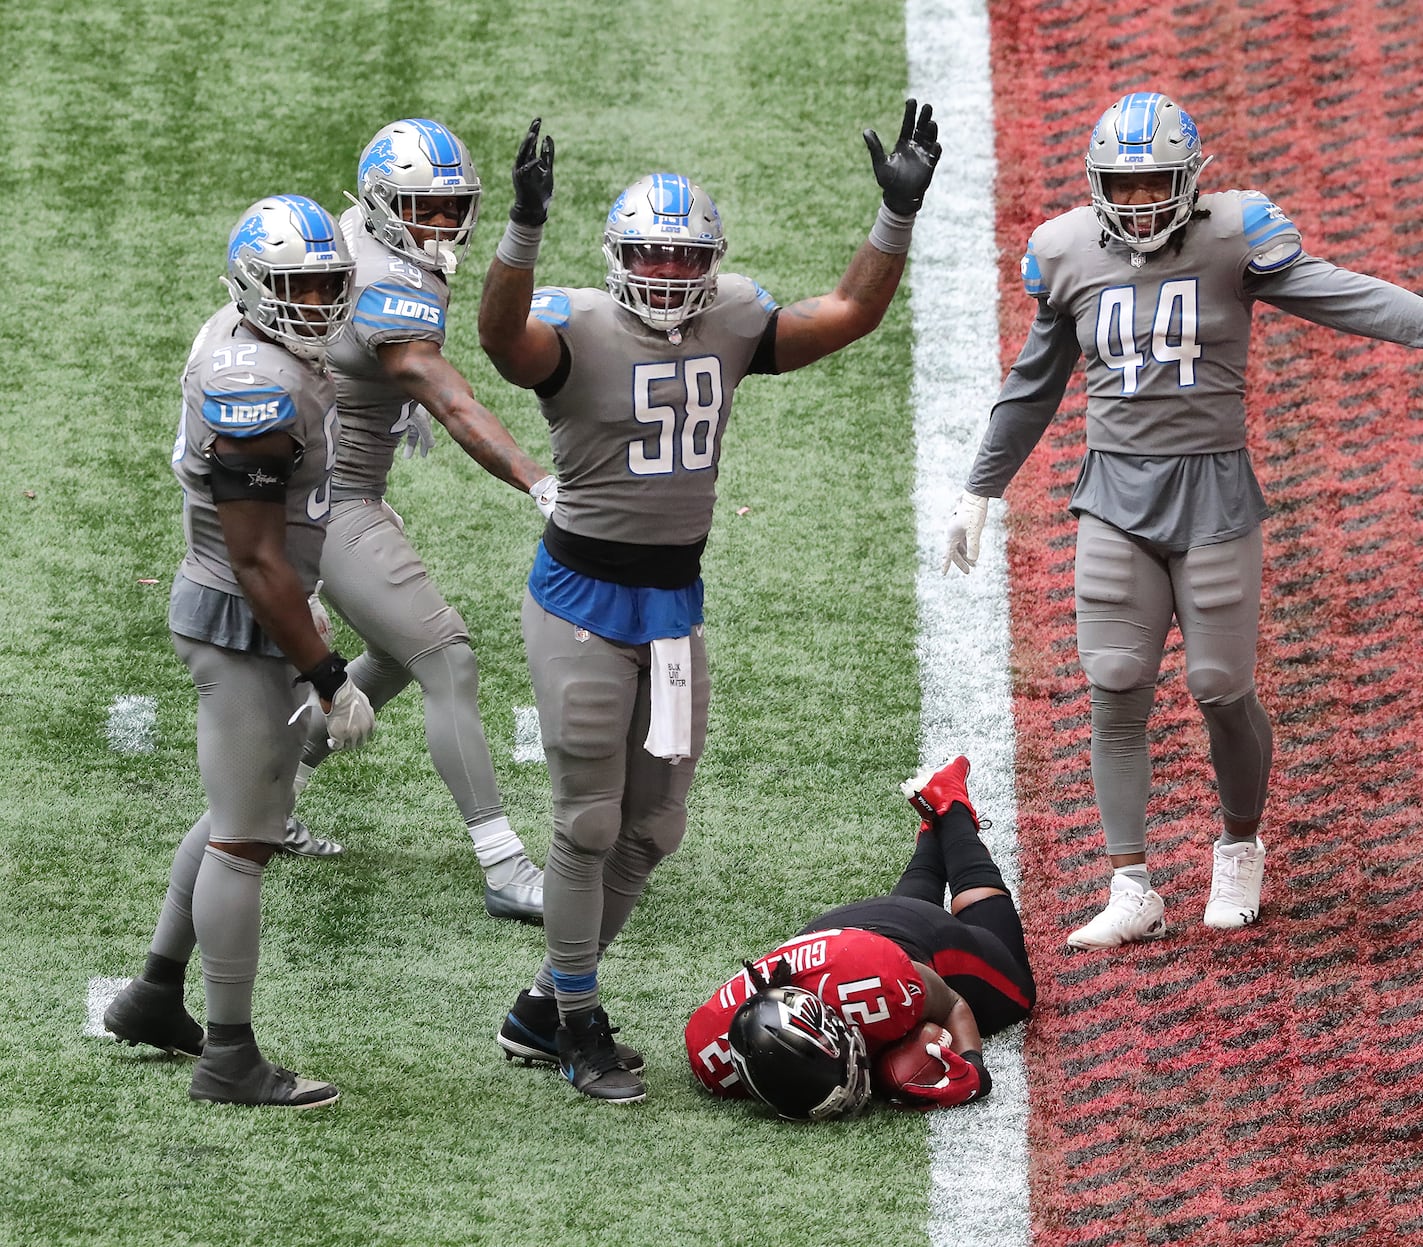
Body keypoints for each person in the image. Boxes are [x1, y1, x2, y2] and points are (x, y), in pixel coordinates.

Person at [942, 90, 1423, 949]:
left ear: (1189, 180)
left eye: (1152, 182)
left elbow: (1337, 292)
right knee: (1115, 680)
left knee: (1219, 688)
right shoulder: (1067, 252)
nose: (1135, 202)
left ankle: (1238, 843)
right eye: (1119, 187)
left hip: (1214, 495)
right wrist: (982, 487)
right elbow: (1033, 382)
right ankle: (1131, 884)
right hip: (1114, 497)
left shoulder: (1234, 238)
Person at [479, 101, 943, 1103]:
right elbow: (501, 339)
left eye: (686, 256)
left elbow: (847, 315)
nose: (667, 273)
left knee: (655, 828)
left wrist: (893, 217)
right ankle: (573, 1018)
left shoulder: (733, 314)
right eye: (648, 254)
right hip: (581, 603)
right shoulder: (574, 326)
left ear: (713, 260)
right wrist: (519, 231)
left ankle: (541, 1000)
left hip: (674, 607)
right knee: (587, 824)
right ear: (613, 256)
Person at [105, 195, 376, 1107]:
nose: (315, 303)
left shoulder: (246, 338)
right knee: (244, 840)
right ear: (256, 288)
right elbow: (259, 560)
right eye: (294, 285)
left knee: (235, 812)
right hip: (238, 613)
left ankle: (153, 994)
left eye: (327, 283)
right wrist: (327, 671)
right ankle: (228, 1056)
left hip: (243, 601)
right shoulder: (257, 385)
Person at [279, 118, 551, 924]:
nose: (441, 224)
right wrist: (539, 481)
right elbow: (448, 395)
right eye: (423, 207)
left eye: (449, 205)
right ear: (383, 204)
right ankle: (504, 863)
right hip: (327, 498)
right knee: (446, 656)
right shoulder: (387, 283)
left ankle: (272, 797)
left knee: (396, 656)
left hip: (326, 484)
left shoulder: (357, 237)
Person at [683, 756, 1036, 1119]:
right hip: (839, 935)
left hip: (894, 943)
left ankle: (951, 808)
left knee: (1016, 993)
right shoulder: (712, 1057)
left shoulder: (880, 986)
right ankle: (932, 828)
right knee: (897, 929)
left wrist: (974, 1069)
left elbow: (950, 1004)